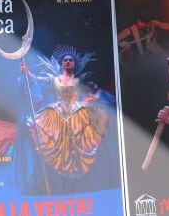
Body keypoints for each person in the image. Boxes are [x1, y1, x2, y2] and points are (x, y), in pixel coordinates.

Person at [18, 46, 114, 193]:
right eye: (65, 60)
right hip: (58, 112)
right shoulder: (55, 79)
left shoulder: (77, 81)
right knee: (36, 125)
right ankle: (58, 178)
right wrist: (27, 71)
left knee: (98, 118)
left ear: (74, 64)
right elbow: (37, 79)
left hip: (76, 111)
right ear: (62, 64)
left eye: (70, 60)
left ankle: (80, 179)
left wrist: (91, 99)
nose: (68, 62)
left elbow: (87, 95)